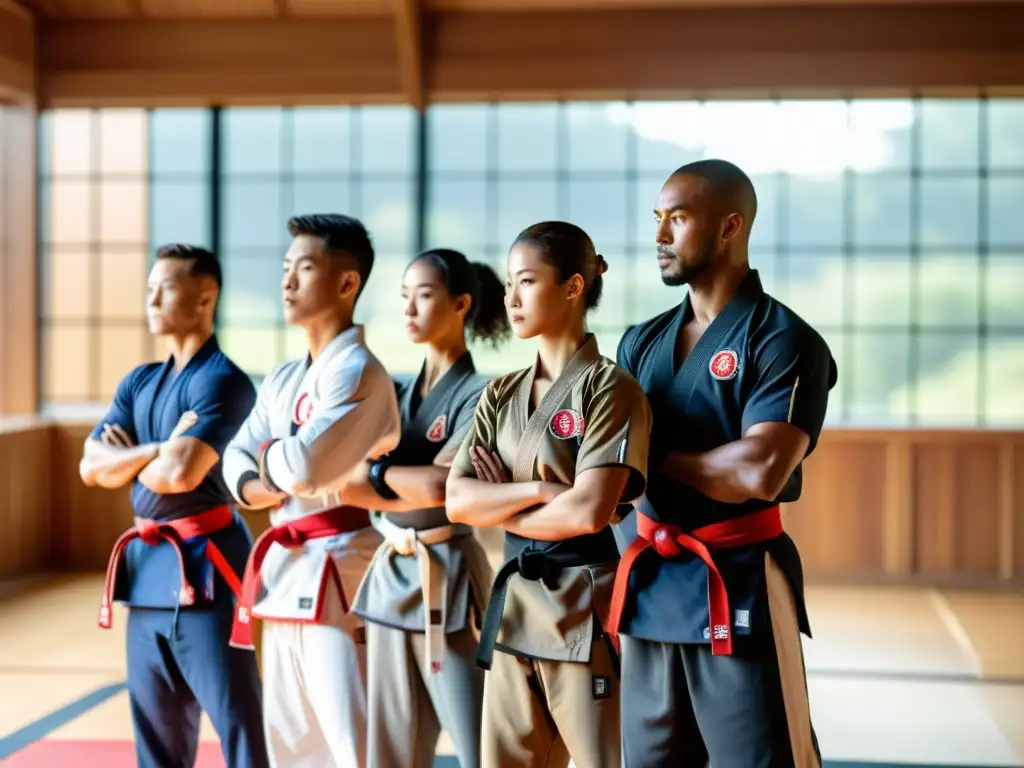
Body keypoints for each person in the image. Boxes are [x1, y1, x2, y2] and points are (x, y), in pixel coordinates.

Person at [605, 159, 838, 767]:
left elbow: (759, 471)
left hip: (737, 584)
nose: (659, 236)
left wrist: (650, 458)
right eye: (657, 219)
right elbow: (606, 469)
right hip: (650, 585)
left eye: (676, 219)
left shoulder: (783, 339)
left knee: (756, 759)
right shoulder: (640, 341)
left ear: (731, 225)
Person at [446, 221, 653, 768]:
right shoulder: (499, 392)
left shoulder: (611, 388)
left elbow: (589, 512)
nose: (511, 299)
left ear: (572, 287)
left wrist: (506, 504)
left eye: (528, 282)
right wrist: (539, 489)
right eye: (509, 284)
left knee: (599, 761)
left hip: (580, 600)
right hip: (514, 602)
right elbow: (457, 501)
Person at [220, 214, 401, 768]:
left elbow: (304, 470)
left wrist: (270, 461)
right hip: (285, 567)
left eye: (303, 267)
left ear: (348, 283)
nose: (287, 282)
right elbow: (234, 461)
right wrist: (266, 472)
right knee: (291, 742)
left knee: (354, 741)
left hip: (344, 570)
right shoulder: (282, 377)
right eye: (284, 268)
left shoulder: (359, 372)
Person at [78, 244, 268, 768]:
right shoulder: (139, 381)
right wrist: (159, 447)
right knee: (156, 739)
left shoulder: (224, 381)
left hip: (209, 566)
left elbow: (182, 473)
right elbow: (90, 468)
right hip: (147, 572)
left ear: (205, 296)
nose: (151, 297)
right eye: (148, 287)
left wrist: (130, 459)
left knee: (239, 726)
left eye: (165, 287)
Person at [342, 248, 511, 768]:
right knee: (391, 742)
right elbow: (344, 483)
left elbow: (442, 487)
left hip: (449, 574)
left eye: (425, 295)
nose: (410, 309)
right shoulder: (392, 390)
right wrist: (385, 480)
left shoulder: (485, 393)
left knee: (475, 737)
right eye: (404, 297)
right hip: (392, 569)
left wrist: (375, 474)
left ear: (461, 304)